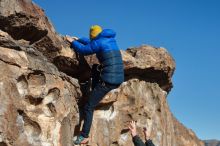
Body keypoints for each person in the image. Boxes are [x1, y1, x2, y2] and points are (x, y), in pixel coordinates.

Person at [66, 25, 124, 145]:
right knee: (95, 68)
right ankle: (94, 90)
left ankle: (84, 136)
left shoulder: (99, 43)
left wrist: (73, 42)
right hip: (118, 78)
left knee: (89, 106)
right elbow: (92, 43)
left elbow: (84, 50)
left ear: (93, 36)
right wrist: (80, 39)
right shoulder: (109, 39)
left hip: (108, 81)